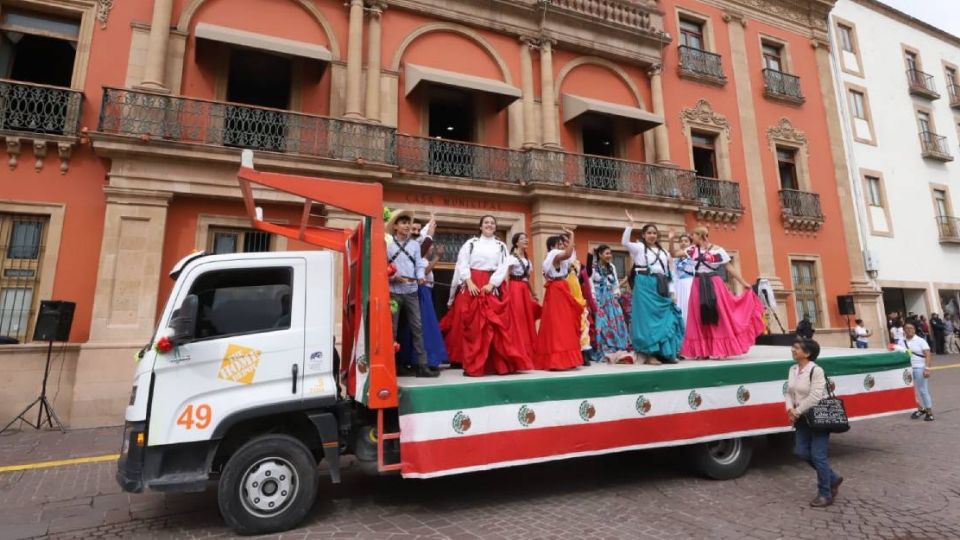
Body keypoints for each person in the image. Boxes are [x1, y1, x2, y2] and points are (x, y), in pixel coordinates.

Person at [441, 215, 531, 376]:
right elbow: (462, 263)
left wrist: (492, 283)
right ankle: (474, 363)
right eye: (486, 223)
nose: (489, 225)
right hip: (473, 284)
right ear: (480, 227)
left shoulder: (501, 245)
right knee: (475, 325)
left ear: (495, 227)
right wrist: (468, 281)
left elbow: (504, 266)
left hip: (492, 285)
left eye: (492, 223)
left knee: (495, 325)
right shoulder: (470, 244)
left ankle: (496, 364)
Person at [680, 226, 764, 359]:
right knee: (698, 314)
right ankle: (702, 351)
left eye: (693, 235)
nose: (692, 238)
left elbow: (729, 267)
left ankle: (719, 349)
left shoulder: (717, 250)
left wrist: (743, 282)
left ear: (701, 235)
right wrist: (671, 239)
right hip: (697, 283)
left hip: (714, 283)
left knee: (718, 313)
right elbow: (674, 254)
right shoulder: (691, 250)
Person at [786, 339, 843, 508]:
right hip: (801, 419)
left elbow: (815, 396)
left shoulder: (816, 370)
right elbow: (789, 392)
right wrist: (789, 409)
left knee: (818, 456)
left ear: (807, 353)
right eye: (793, 347)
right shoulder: (793, 369)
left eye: (796, 348)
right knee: (801, 451)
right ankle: (832, 478)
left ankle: (825, 493)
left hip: (818, 418)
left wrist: (797, 410)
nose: (793, 350)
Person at [622, 211, 684, 364]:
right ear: (643, 235)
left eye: (654, 233)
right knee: (647, 320)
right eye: (649, 233)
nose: (652, 235)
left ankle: (666, 353)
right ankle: (650, 354)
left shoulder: (663, 251)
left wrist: (672, 292)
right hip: (644, 283)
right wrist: (630, 224)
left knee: (666, 317)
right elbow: (624, 242)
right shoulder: (638, 248)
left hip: (661, 283)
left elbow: (667, 272)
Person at [386, 210, 439, 378]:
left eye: (408, 223)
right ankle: (391, 366)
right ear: (395, 226)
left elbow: (419, 265)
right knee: (392, 330)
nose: (407, 226)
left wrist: (421, 277)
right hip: (393, 292)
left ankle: (422, 367)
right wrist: (395, 276)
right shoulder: (387, 245)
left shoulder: (415, 245)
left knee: (418, 328)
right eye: (403, 223)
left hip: (412, 291)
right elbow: (382, 265)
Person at [535, 228, 584, 371]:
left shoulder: (554, 257)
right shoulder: (553, 254)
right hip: (558, 290)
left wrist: (569, 241)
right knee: (560, 324)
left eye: (563, 244)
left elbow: (570, 255)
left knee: (562, 323)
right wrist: (572, 235)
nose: (562, 246)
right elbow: (568, 253)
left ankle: (566, 358)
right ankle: (559, 359)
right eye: (560, 244)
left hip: (559, 288)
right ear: (552, 246)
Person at [590, 245, 632, 363]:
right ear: (600, 255)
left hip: (611, 299)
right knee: (602, 324)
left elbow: (615, 283)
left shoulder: (612, 267)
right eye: (606, 253)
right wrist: (594, 298)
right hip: (599, 298)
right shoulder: (593, 268)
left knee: (617, 322)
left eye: (610, 253)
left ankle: (617, 346)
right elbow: (590, 283)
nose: (609, 256)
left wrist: (616, 293)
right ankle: (604, 348)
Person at [505, 232, 540, 363]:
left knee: (527, 318)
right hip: (514, 288)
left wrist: (534, 293)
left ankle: (529, 350)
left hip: (524, 289)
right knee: (517, 317)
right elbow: (506, 276)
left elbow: (527, 278)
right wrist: (506, 292)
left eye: (526, 238)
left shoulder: (527, 260)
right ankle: (518, 349)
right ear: (516, 243)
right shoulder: (511, 258)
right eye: (522, 238)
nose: (526, 240)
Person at [897, 322, 935, 422]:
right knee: (908, 391)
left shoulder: (920, 340)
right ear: (903, 330)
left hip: (919, 367)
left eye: (911, 328)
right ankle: (920, 408)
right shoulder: (901, 341)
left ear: (914, 329)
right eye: (907, 328)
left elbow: (928, 355)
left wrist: (927, 368)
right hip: (907, 369)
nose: (909, 330)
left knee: (923, 390)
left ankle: (929, 412)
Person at [672, 233, 696, 326]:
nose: (683, 243)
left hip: (690, 283)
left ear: (690, 243)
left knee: (688, 306)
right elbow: (674, 274)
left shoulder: (693, 255)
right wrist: (672, 290)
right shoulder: (676, 259)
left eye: (686, 241)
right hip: (679, 285)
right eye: (681, 241)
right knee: (679, 307)